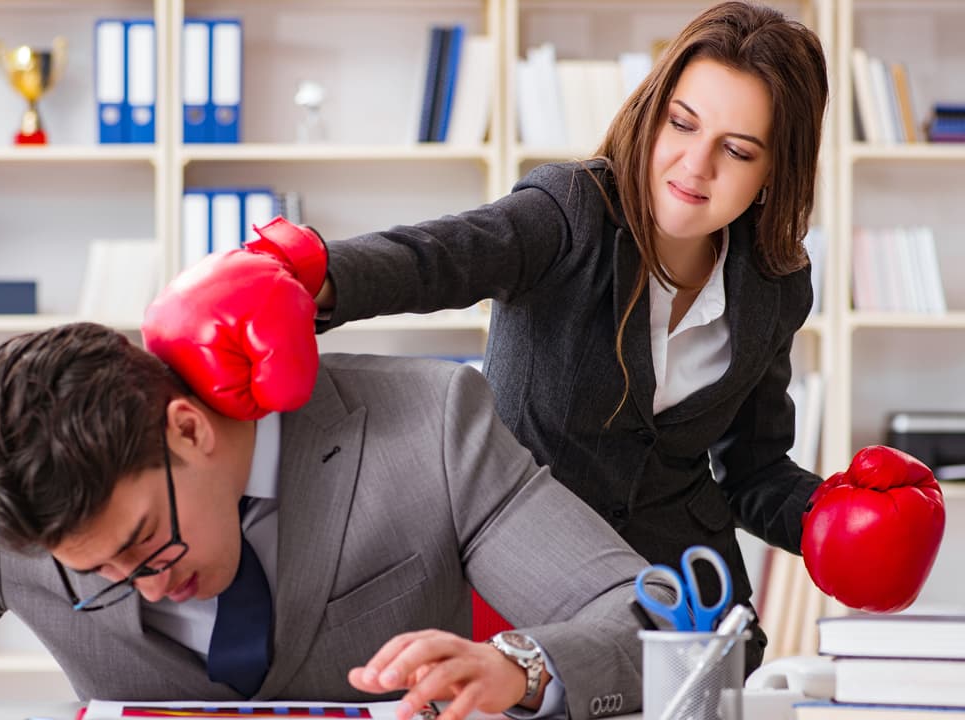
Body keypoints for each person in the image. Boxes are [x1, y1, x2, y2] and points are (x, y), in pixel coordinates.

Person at [140, 0, 945, 672]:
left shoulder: (776, 283)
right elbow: (437, 256)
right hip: (523, 587)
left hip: (688, 607)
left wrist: (828, 521)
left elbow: (751, 469)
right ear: (653, 112)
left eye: (736, 150)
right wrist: (300, 274)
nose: (694, 165)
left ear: (774, 173)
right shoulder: (571, 213)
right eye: (681, 123)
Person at [0, 321, 662, 720]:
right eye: (98, 573)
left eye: (144, 544)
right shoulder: (4, 512)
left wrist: (519, 669)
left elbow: (652, 618)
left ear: (187, 429)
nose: (147, 587)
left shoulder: (427, 427)